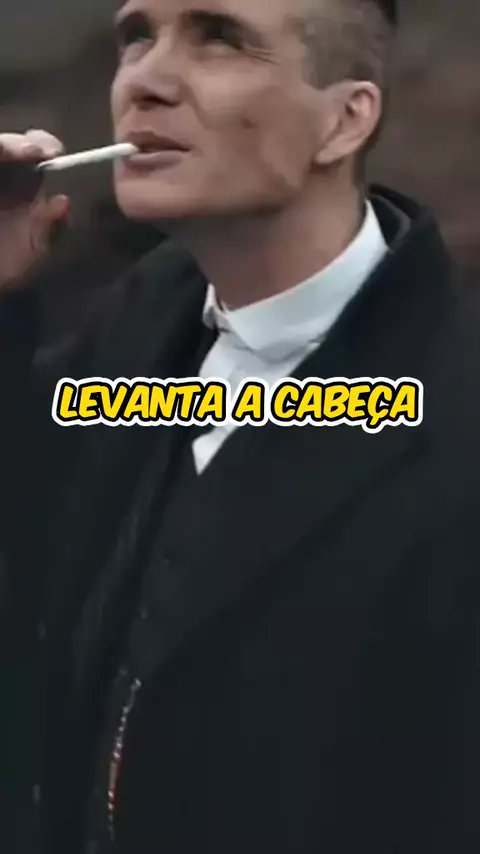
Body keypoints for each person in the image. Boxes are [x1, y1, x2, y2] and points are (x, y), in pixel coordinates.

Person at [1, 0, 480, 852]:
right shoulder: (129, 331)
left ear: (344, 120)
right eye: (136, 38)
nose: (144, 80)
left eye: (220, 38)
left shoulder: (451, 416)